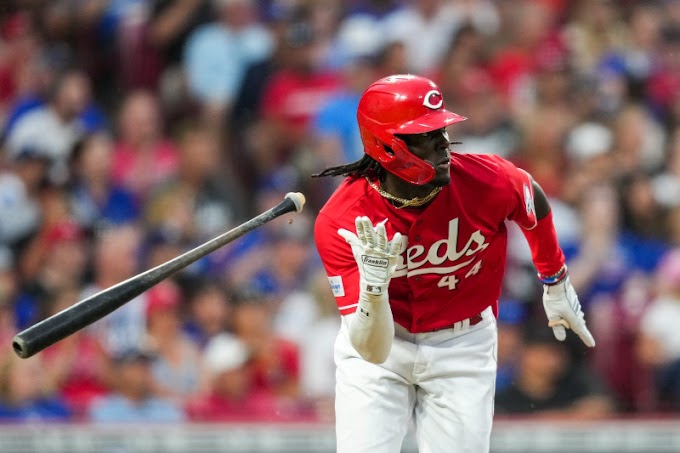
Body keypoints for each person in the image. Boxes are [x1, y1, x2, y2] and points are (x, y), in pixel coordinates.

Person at [312, 74, 596, 453]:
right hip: (381, 344)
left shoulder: (485, 179)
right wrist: (375, 290)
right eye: (425, 137)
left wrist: (555, 278)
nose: (443, 145)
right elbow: (373, 351)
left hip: (463, 342)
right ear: (387, 146)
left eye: (441, 131)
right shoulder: (343, 221)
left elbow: (532, 199)